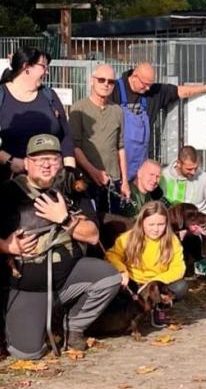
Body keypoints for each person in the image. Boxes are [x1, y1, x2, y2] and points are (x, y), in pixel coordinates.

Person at [0, 134, 120, 358]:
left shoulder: (73, 191)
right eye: (38, 159)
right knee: (27, 353)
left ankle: (73, 325)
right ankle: (30, 317)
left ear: (61, 162)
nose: (46, 164)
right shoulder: (7, 193)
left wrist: (64, 219)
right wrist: (7, 247)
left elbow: (93, 236)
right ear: (26, 163)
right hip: (27, 286)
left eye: (52, 158)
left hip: (68, 278)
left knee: (109, 278)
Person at [109, 62, 206, 181]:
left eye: (150, 85)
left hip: (141, 164)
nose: (148, 88)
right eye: (145, 84)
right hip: (116, 158)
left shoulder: (153, 92)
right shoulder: (114, 89)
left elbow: (181, 91)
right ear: (135, 76)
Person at [105, 201, 187, 327]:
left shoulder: (172, 241)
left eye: (161, 224)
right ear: (142, 222)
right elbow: (112, 255)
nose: (156, 229)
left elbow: (178, 267)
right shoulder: (128, 237)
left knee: (181, 287)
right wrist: (122, 270)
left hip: (157, 284)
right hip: (133, 281)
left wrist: (155, 281)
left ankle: (159, 307)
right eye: (151, 224)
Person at [0, 46, 75, 181]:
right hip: (12, 182)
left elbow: (66, 135)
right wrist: (10, 161)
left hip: (51, 180)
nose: (47, 72)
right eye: (43, 67)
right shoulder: (2, 95)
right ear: (26, 67)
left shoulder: (49, 95)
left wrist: (69, 169)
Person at [69, 64, 129, 214]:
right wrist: (94, 172)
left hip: (112, 181)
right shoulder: (79, 109)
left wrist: (125, 182)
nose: (106, 84)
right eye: (101, 80)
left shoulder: (117, 111)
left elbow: (120, 147)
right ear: (92, 81)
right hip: (86, 180)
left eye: (111, 81)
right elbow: (75, 147)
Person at [160, 146, 206, 216]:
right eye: (189, 169)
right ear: (178, 164)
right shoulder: (163, 176)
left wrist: (198, 216)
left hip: (196, 223)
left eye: (195, 168)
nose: (193, 172)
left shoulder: (205, 179)